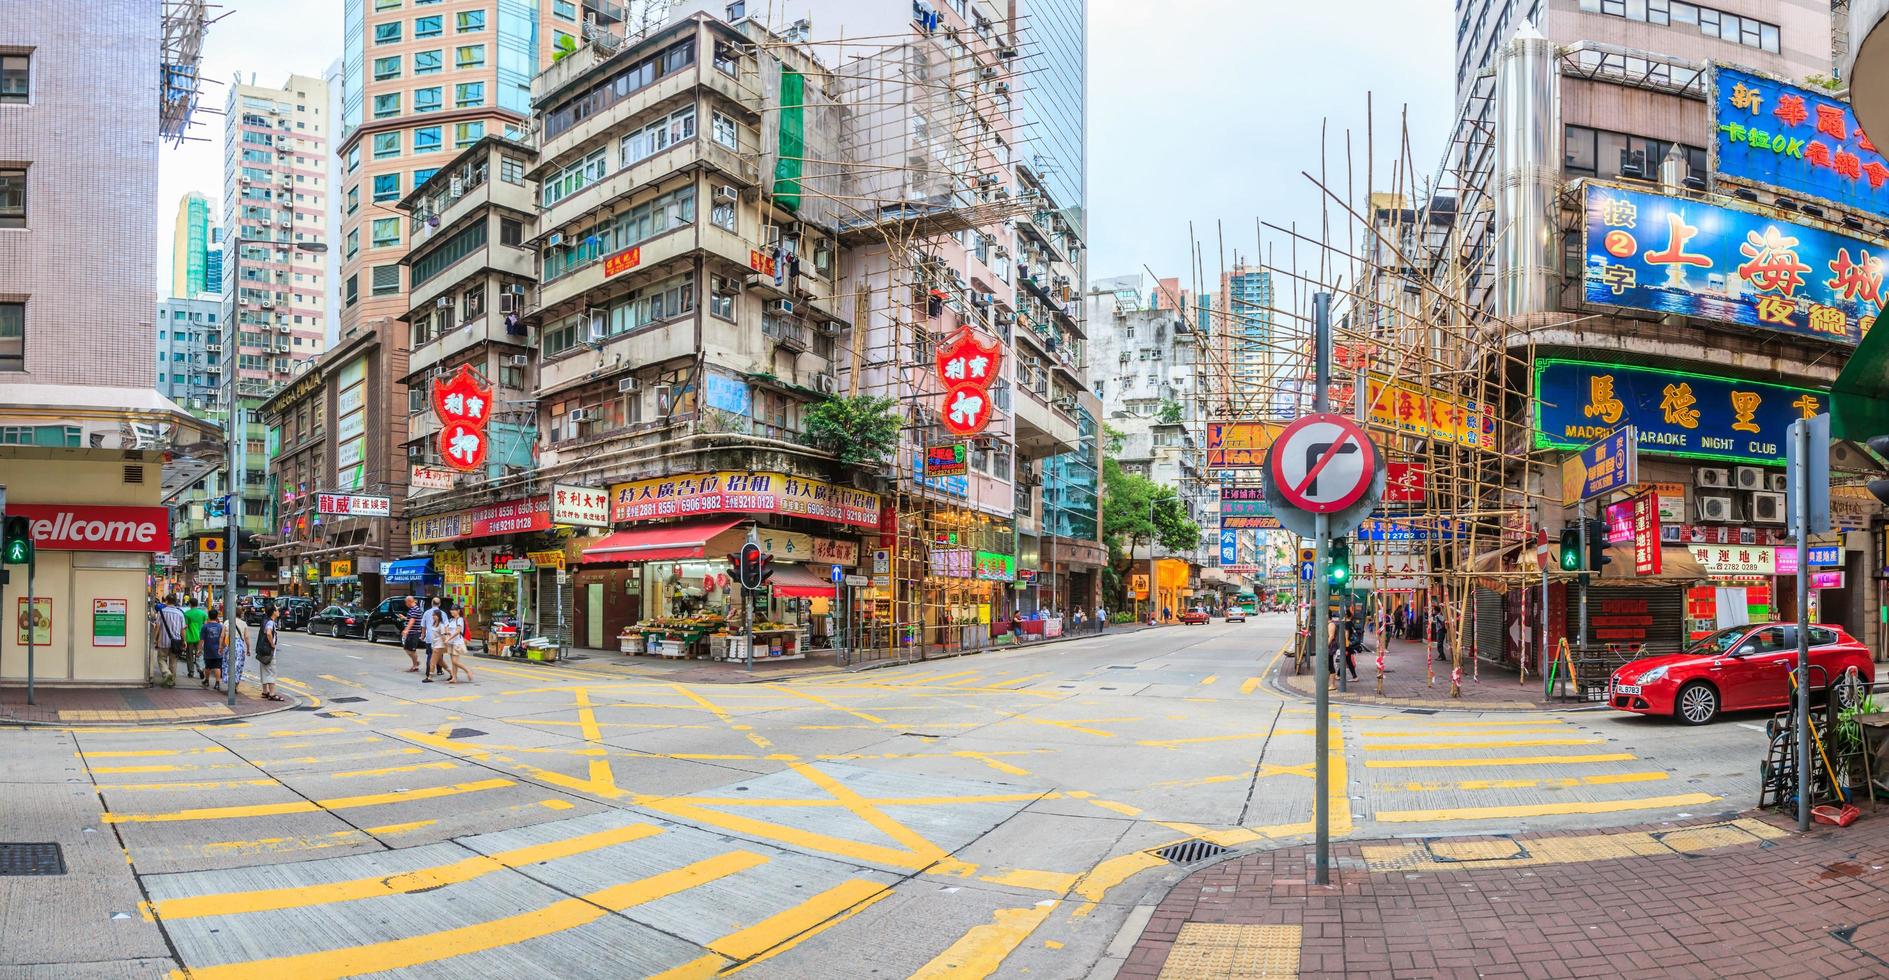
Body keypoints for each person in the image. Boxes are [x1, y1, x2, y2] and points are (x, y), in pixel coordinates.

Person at [155, 595, 188, 684]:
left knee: (161, 659)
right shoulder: (180, 613)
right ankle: (171, 681)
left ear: (166, 601)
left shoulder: (161, 612)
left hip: (163, 641)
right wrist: (184, 641)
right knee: (173, 662)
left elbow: (157, 626)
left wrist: (155, 638)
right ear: (175, 601)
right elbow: (182, 629)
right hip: (176, 642)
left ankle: (166, 673)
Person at [256, 606, 283, 701]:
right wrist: (272, 644)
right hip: (269, 652)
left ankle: (265, 691)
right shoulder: (271, 622)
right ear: (273, 612)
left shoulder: (264, 620)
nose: (278, 611)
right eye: (277, 610)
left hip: (262, 651)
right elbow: (268, 633)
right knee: (271, 672)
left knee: (264, 670)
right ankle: (272, 694)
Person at [444, 603, 474, 684]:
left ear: (458, 611)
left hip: (457, 642)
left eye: (453, 610)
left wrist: (448, 638)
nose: (451, 611)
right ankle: (454, 677)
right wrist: (447, 634)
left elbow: (458, 631)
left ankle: (468, 671)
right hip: (451, 642)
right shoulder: (451, 620)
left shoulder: (460, 619)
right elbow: (449, 630)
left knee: (455, 661)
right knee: (453, 662)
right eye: (451, 610)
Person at [200, 608, 226, 692]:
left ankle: (207, 680)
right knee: (217, 666)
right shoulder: (220, 626)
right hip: (218, 649)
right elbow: (223, 638)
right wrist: (222, 647)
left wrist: (199, 649)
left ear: (209, 616)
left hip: (208, 649)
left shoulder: (205, 626)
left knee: (208, 666)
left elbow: (202, 639)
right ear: (217, 616)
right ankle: (217, 683)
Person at [182, 597, 208, 681]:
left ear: (190, 604)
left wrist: (184, 639)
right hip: (200, 637)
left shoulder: (187, 614)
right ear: (197, 604)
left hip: (190, 637)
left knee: (189, 655)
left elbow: (184, 627)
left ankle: (191, 671)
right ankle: (200, 668)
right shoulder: (203, 613)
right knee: (199, 653)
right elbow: (205, 624)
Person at [424, 597, 449, 682]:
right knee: (441, 661)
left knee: (432, 660)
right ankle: (451, 673)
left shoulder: (440, 624)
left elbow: (443, 634)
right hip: (433, 643)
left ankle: (429, 676)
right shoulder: (436, 621)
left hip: (438, 645)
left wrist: (446, 644)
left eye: (434, 615)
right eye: (433, 615)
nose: (433, 616)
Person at [400, 596, 425, 673]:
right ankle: (416, 663)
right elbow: (410, 619)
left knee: (411, 650)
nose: (405, 604)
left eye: (406, 602)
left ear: (409, 601)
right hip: (412, 632)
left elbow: (412, 620)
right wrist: (404, 618)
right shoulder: (412, 609)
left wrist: (406, 630)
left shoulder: (415, 609)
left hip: (414, 632)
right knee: (407, 649)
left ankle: (415, 665)